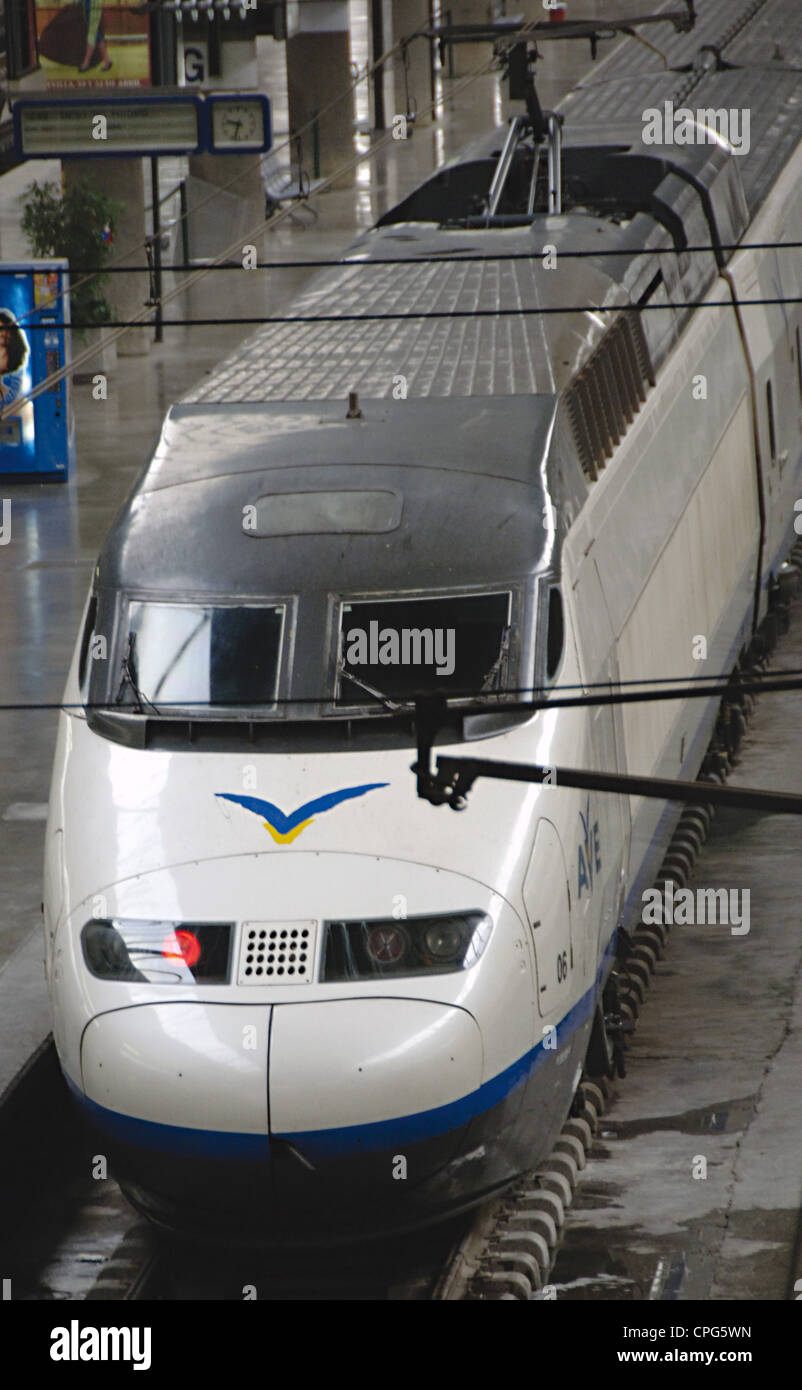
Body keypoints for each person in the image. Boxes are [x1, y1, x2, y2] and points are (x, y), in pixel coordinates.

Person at [79, 0, 112, 73]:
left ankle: (86, 63)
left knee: (92, 32)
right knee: (95, 33)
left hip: (94, 4)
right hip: (87, 4)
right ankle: (107, 61)